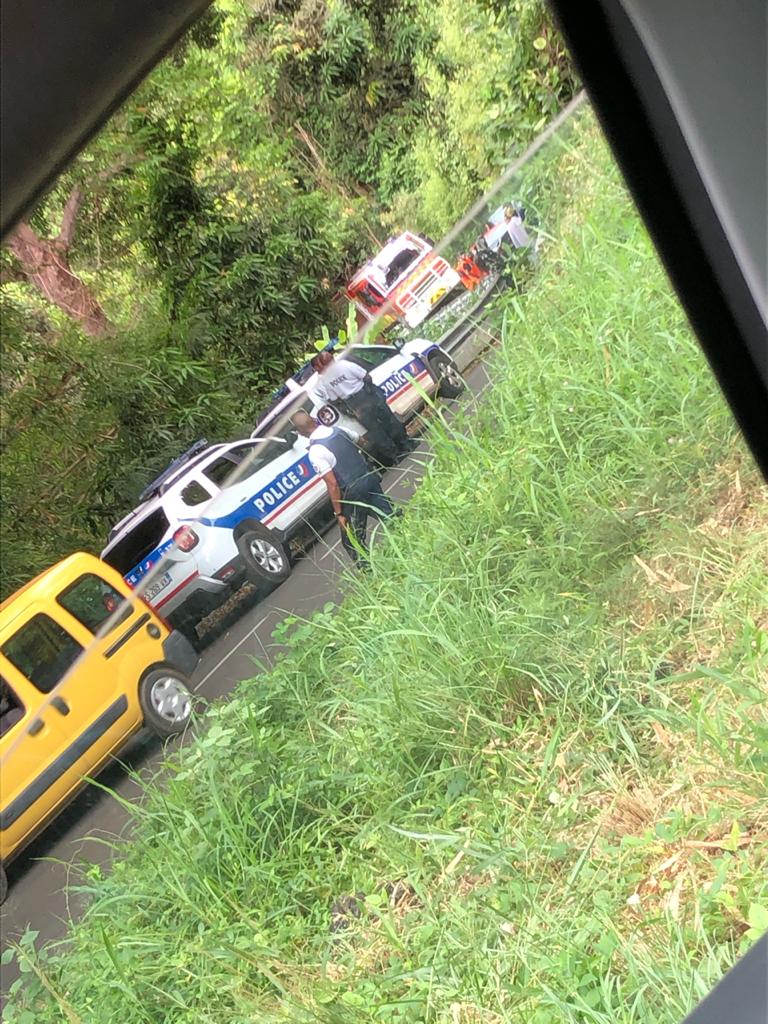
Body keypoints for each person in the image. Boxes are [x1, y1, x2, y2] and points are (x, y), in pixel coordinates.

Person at [292, 407, 396, 565]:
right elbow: (362, 442)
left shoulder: (316, 451)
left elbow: (332, 484)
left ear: (300, 433)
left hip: (352, 492)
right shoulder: (338, 430)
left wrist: (339, 513)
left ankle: (371, 572)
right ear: (314, 419)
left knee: (352, 541)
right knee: (391, 517)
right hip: (369, 478)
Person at [310, 350, 414, 465]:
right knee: (389, 420)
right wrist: (370, 391)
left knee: (375, 431)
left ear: (323, 363)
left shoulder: (326, 379)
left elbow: (334, 399)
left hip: (355, 404)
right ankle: (406, 445)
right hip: (366, 395)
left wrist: (348, 409)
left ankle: (395, 456)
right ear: (332, 358)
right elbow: (366, 376)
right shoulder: (345, 365)